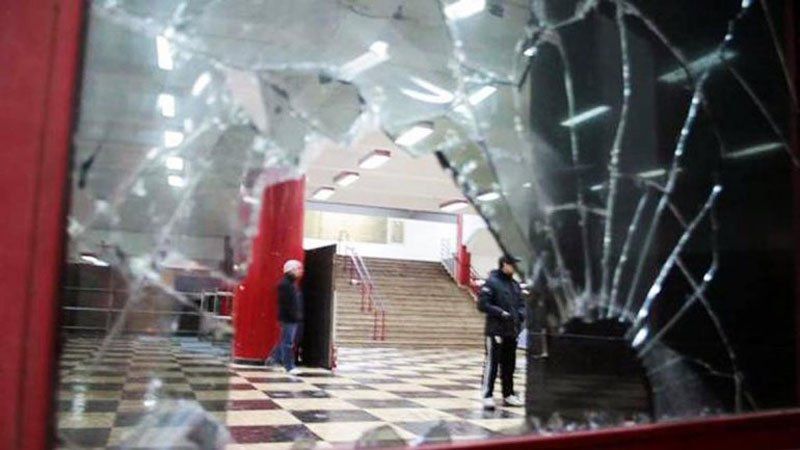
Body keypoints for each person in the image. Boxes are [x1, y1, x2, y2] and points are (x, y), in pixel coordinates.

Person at [477, 255, 525, 410]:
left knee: (509, 365)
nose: (515, 267)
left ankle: (508, 394)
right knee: (492, 363)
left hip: (512, 331)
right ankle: (487, 395)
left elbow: (522, 305)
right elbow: (482, 304)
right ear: (504, 264)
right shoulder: (491, 282)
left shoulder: (515, 285)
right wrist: (500, 312)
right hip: (495, 330)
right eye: (513, 264)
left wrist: (520, 315)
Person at [274, 259, 304, 375]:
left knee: (284, 340)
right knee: (288, 343)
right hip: (289, 318)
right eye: (298, 269)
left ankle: (274, 360)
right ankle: (289, 366)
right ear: (291, 270)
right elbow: (287, 304)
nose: (300, 271)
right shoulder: (286, 285)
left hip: (290, 317)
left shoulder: (290, 284)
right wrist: (294, 315)